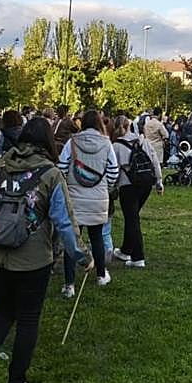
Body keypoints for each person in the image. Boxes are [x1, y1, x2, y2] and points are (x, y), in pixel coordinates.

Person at [0, 117, 90, 383]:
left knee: (2, 313)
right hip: (32, 259)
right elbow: (65, 222)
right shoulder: (50, 174)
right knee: (28, 319)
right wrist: (82, 256)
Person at [58, 109, 117, 292]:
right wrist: (104, 188)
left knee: (72, 240)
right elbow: (114, 171)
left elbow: (61, 167)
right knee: (97, 237)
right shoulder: (106, 144)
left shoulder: (72, 142)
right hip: (98, 197)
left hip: (75, 196)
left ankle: (69, 284)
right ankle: (100, 275)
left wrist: (69, 185)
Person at [111, 115, 163, 269]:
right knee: (132, 217)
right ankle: (126, 249)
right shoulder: (143, 141)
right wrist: (159, 181)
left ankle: (138, 257)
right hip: (146, 183)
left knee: (132, 219)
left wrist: (111, 187)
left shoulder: (116, 146)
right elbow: (154, 161)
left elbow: (114, 170)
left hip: (128, 185)